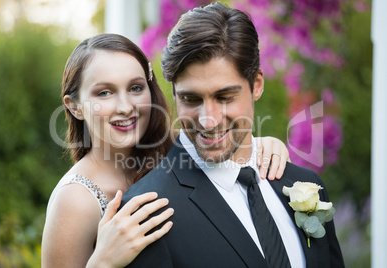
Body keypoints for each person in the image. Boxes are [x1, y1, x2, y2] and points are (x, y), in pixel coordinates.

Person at [121, 2, 345, 268]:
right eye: (191, 99)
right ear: (174, 95)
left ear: (257, 84)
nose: (208, 119)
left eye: (225, 97)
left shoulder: (306, 184)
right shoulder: (147, 213)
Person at [41, 33, 291, 267]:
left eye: (136, 88)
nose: (126, 107)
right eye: (104, 93)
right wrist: (103, 262)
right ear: (74, 106)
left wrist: (260, 147)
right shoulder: (75, 201)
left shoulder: (174, 153)